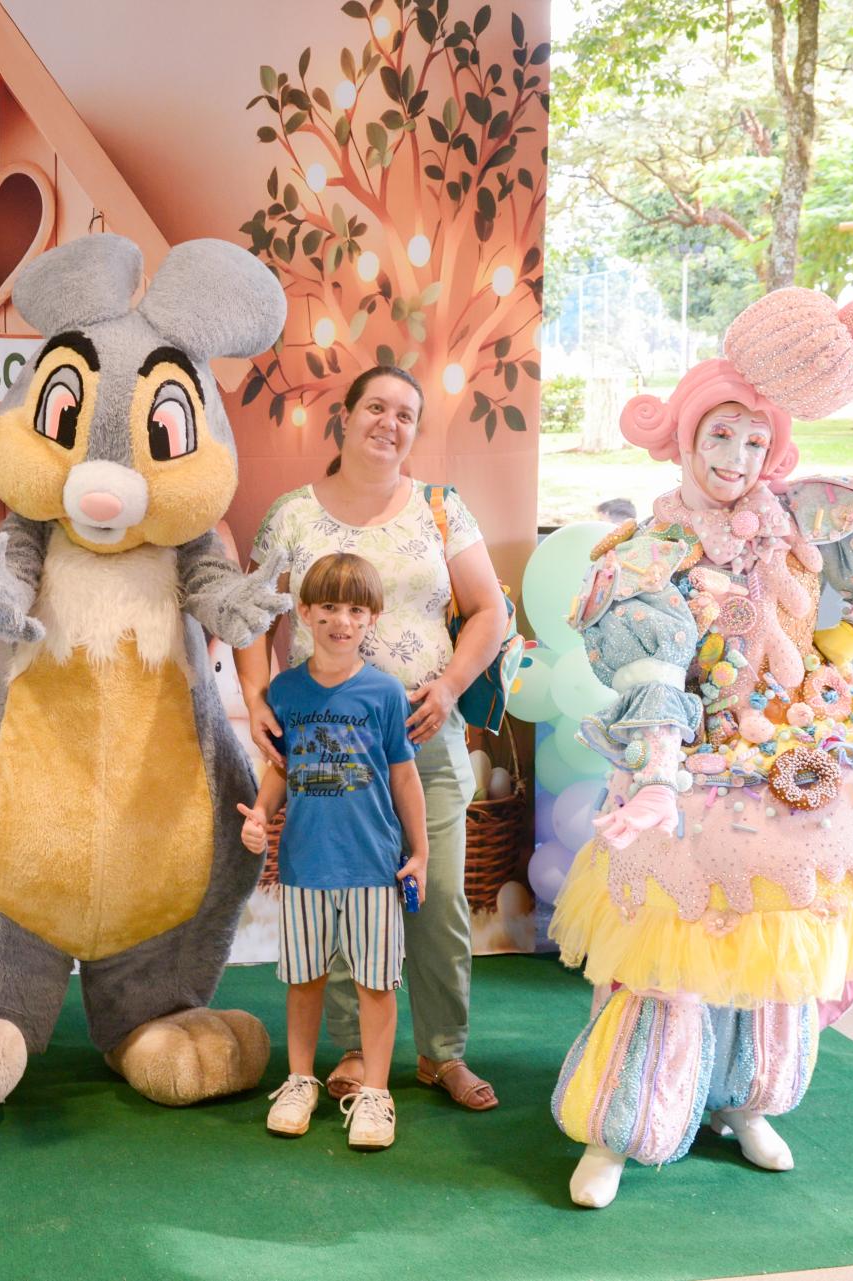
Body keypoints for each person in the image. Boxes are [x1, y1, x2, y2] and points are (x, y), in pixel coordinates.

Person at [547, 288, 853, 1208]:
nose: (736, 459)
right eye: (719, 436)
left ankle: (747, 1098)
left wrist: (848, 637)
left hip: (794, 752)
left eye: (753, 441)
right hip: (688, 766)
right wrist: (656, 768)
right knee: (669, 952)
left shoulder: (803, 514)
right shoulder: (649, 549)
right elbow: (650, 660)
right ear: (685, 438)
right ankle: (622, 1126)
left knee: (778, 939)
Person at [239, 364, 510, 1113]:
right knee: (338, 891)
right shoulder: (292, 515)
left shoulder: (440, 509)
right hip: (325, 746)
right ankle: (355, 1052)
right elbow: (251, 613)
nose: (389, 423)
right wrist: (255, 696)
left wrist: (448, 686)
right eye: (376, 407)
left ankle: (443, 1054)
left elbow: (488, 610)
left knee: (439, 897)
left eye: (406, 415)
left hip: (424, 735)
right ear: (346, 415)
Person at [240, 553, 426, 1150]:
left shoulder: (386, 693)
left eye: (355, 610)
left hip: (373, 866)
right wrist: (260, 816)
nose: (341, 621)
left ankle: (376, 1092)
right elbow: (279, 768)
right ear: (304, 612)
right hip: (304, 867)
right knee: (305, 980)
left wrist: (420, 853)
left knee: (376, 986)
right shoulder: (285, 691)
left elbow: (404, 777)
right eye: (328, 608)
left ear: (372, 618)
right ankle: (300, 1081)